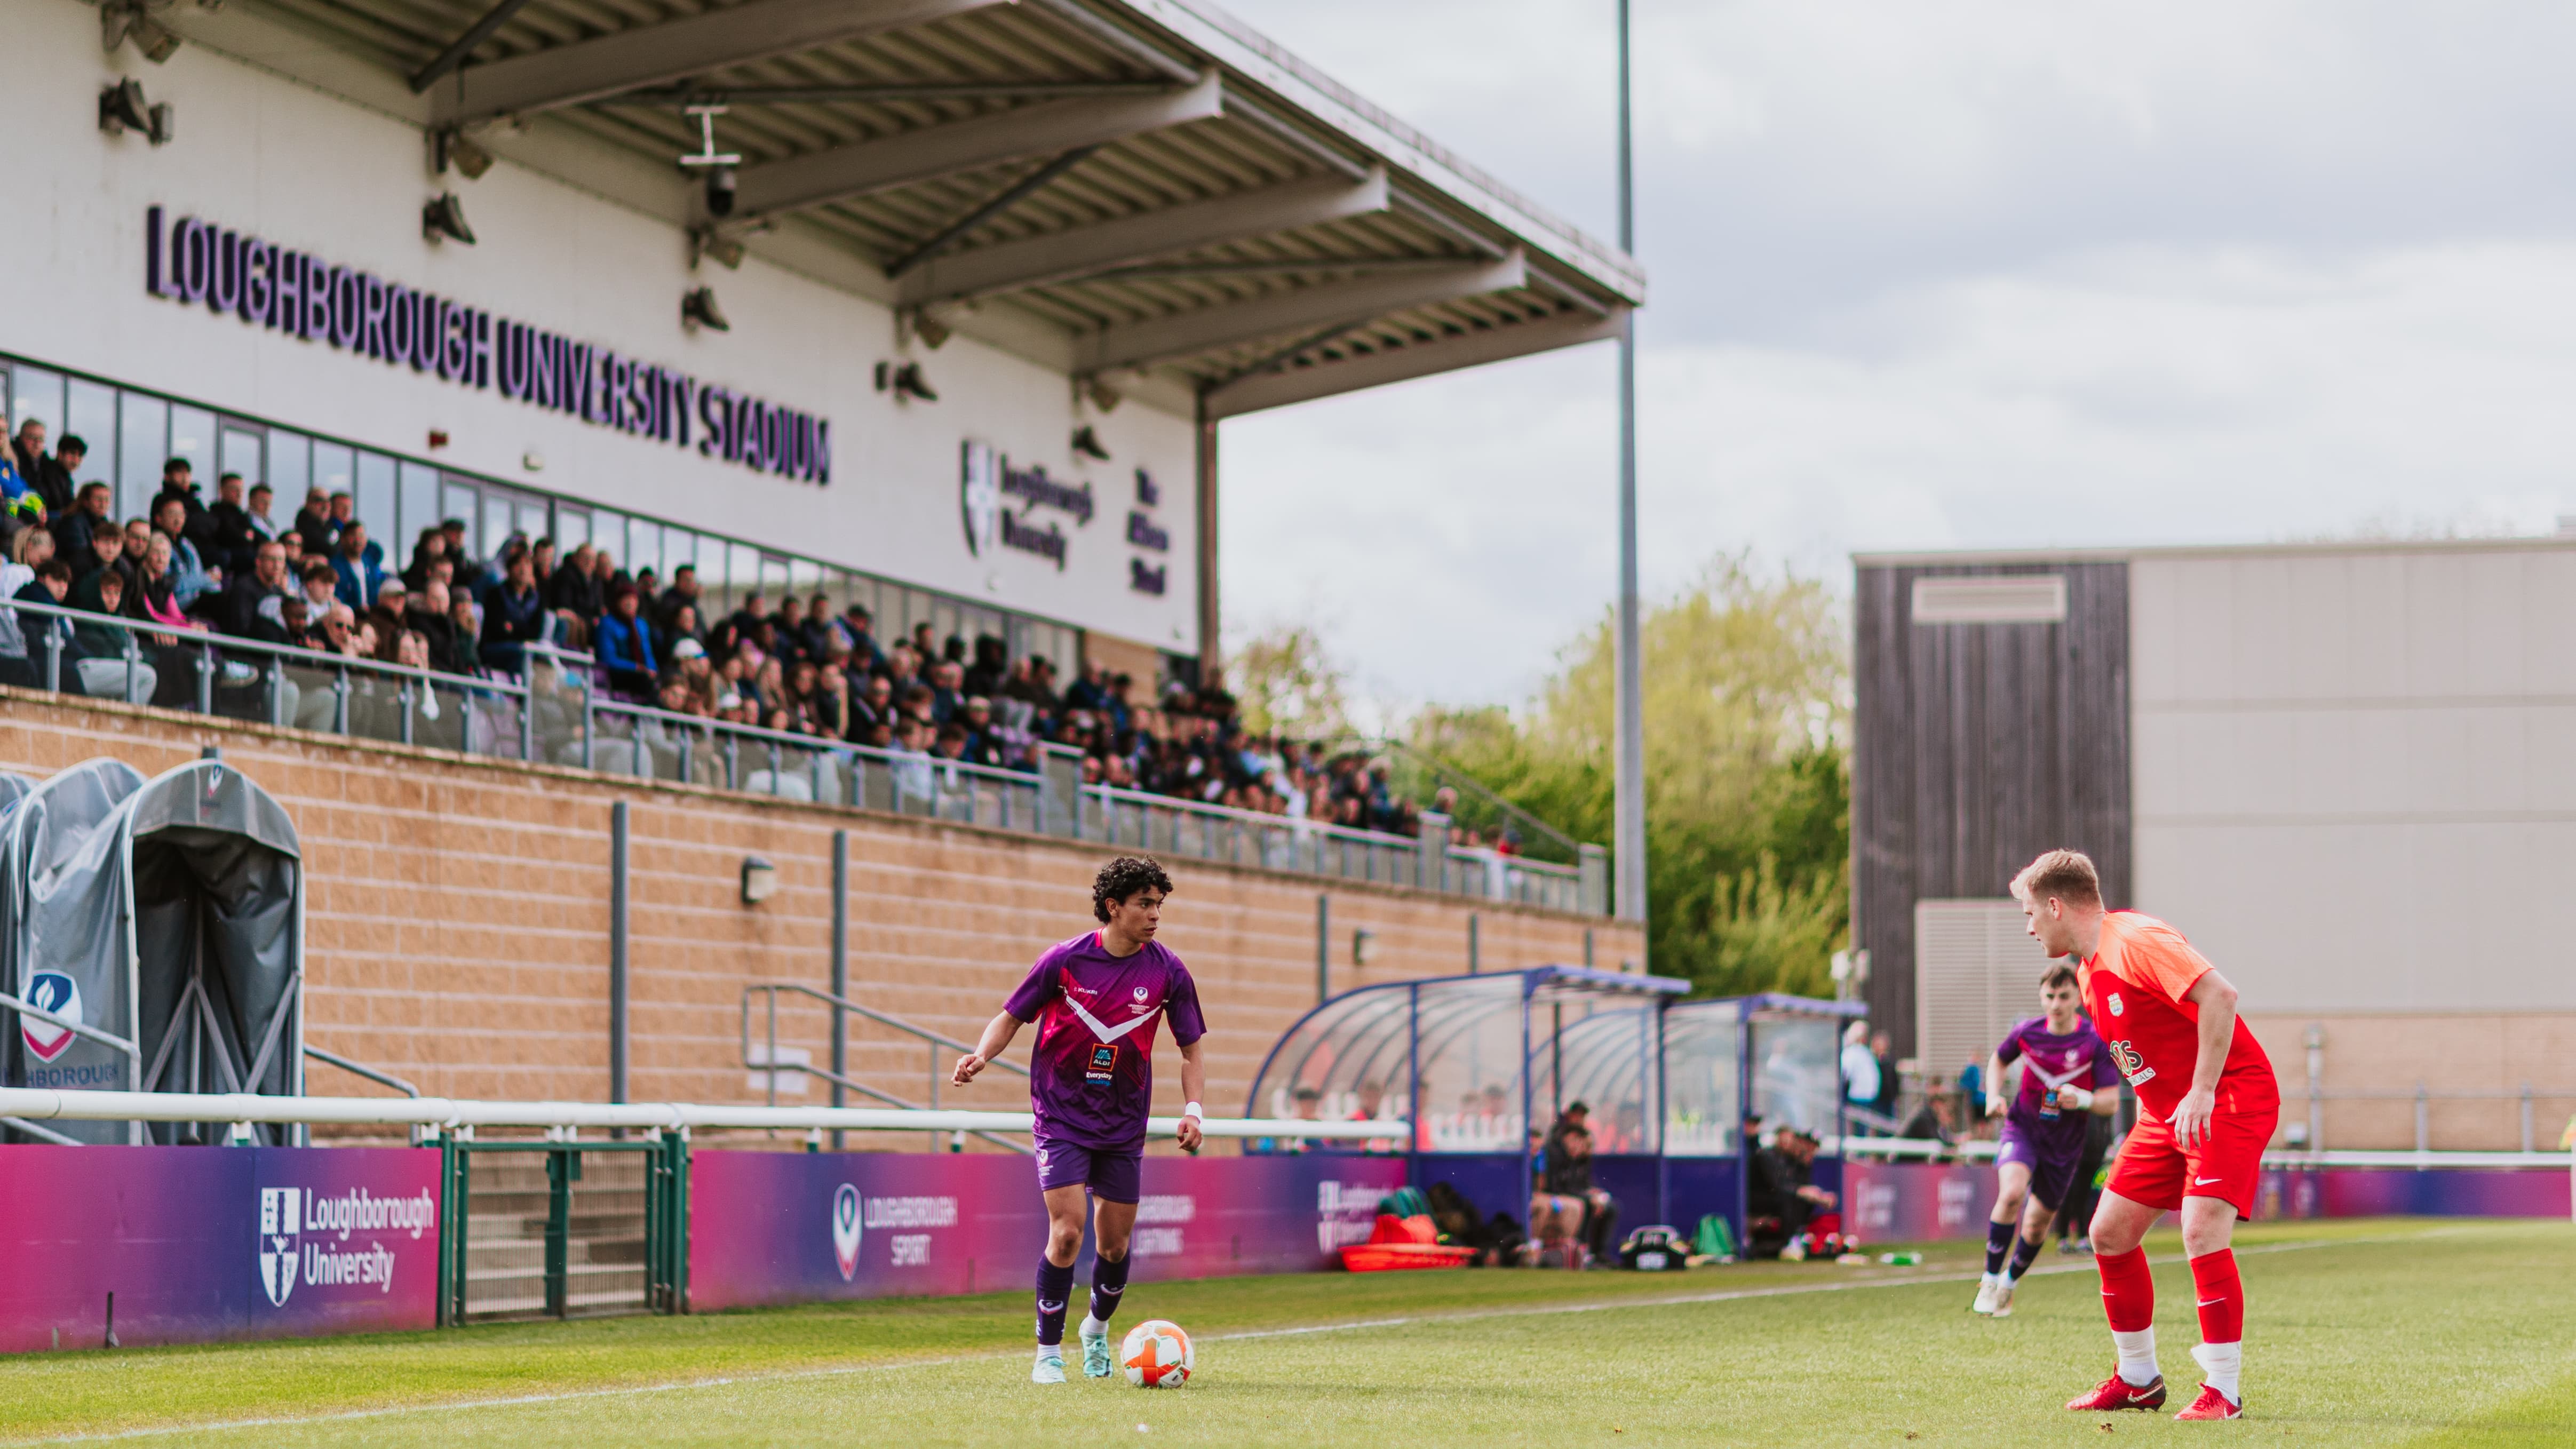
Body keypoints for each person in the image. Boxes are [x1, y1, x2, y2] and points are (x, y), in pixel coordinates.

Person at [2016, 848, 2278, 1422]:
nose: (2030, 926)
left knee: (2201, 1228)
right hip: (2167, 1114)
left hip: (2228, 1093)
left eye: (2031, 913)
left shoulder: (2133, 940)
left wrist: (2203, 1089)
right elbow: (2154, 1053)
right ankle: (2137, 1378)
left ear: (2056, 905)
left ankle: (2224, 1391)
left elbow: (2221, 995)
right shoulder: (2087, 970)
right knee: (2108, 1231)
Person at [948, 856, 1206, 1386]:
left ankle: (1094, 1329)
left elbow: (1190, 1050)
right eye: (1145, 904)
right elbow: (1012, 1015)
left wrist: (1193, 1109)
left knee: (1114, 1246)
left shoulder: (1168, 970)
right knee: (1066, 1232)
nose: (1155, 914)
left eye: (1160, 904)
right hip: (1060, 1113)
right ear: (1114, 907)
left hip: (1123, 1122)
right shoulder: (1064, 961)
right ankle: (1047, 1352)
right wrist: (981, 1056)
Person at [1970, 963, 2120, 1318]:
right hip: (2023, 1130)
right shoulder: (2027, 1033)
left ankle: (2010, 1282)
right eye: (2050, 996)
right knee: (2011, 1194)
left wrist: (2082, 1099)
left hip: (2066, 1144)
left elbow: (2110, 1101)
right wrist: (1993, 1096)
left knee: (2037, 1224)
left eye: (2064, 996)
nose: (2056, 1004)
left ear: (2078, 999)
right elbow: (1998, 1060)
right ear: (2041, 997)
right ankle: (1989, 1279)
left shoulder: (2093, 1041)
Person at [1841, 1020, 1882, 1119]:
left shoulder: (1865, 1052)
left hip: (1868, 1095)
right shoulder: (1852, 1053)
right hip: (1858, 1094)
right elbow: (1846, 1073)